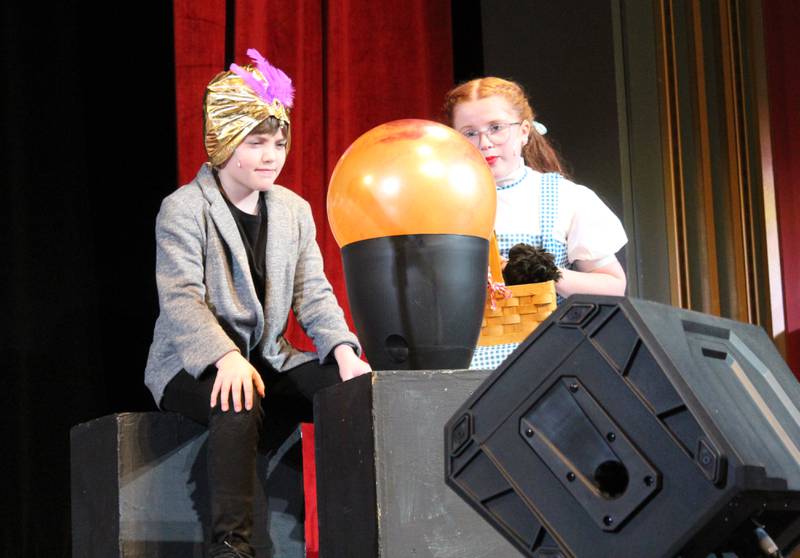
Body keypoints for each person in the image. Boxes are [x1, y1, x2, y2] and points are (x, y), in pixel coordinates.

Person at [144, 48, 371, 558]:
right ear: (225, 144)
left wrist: (342, 352)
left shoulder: (293, 210)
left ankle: (357, 534)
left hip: (267, 356)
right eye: (256, 142)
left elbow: (313, 292)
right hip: (191, 362)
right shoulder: (183, 209)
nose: (271, 155)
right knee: (237, 396)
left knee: (352, 391)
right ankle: (232, 546)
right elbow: (181, 299)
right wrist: (224, 358)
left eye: (278, 142)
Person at [443, 77, 628, 370]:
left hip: (547, 369)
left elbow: (613, 286)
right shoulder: (439, 203)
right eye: (470, 133)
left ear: (524, 132)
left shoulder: (566, 198)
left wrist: (548, 274)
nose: (485, 143)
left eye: (496, 128)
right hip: (461, 371)